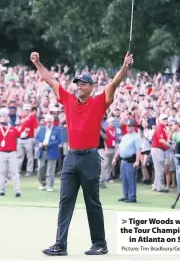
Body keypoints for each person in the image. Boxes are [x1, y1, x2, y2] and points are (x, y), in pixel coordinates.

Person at [31, 51, 133, 256]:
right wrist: (38, 63)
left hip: (89, 158)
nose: (79, 87)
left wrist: (125, 67)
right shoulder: (68, 99)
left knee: (92, 202)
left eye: (83, 84)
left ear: (91, 87)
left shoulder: (99, 102)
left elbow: (114, 83)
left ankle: (100, 244)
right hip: (71, 157)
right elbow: (50, 80)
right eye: (77, 84)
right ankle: (60, 245)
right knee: (65, 200)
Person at [112, 119, 141, 203]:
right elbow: (120, 148)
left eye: (130, 126)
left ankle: (132, 196)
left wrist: (137, 161)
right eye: (128, 126)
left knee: (131, 179)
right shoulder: (125, 136)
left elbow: (138, 149)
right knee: (124, 178)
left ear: (133, 127)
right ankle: (126, 195)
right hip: (123, 160)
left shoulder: (136, 136)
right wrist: (115, 157)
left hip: (130, 160)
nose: (129, 128)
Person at [0, 108, 21, 197]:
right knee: (1, 172)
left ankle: (17, 190)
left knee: (14, 172)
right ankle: (2, 189)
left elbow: (20, 134)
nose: (5, 118)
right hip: (1, 152)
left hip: (12, 152)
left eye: (6, 116)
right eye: (2, 116)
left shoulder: (13, 129)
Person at [35, 114, 61, 192]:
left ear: (53, 122)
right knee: (41, 168)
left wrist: (49, 143)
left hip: (52, 151)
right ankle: (42, 183)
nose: (48, 124)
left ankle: (50, 185)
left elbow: (59, 140)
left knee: (50, 169)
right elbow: (37, 138)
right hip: (42, 151)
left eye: (50, 122)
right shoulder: (41, 129)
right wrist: (39, 143)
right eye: (47, 122)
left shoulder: (57, 130)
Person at [151, 114, 173, 193]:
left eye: (166, 119)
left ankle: (156, 186)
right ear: (160, 120)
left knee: (158, 169)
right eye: (164, 119)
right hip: (158, 149)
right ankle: (159, 187)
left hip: (159, 149)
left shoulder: (163, 128)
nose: (165, 120)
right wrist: (171, 146)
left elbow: (164, 140)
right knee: (159, 169)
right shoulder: (159, 127)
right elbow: (161, 140)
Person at [17, 104, 38, 176]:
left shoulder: (32, 117)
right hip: (20, 138)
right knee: (19, 155)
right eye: (25, 109)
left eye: (27, 110)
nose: (26, 111)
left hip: (28, 139)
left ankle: (29, 171)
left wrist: (34, 138)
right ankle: (18, 170)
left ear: (29, 111)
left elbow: (35, 128)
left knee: (29, 156)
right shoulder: (22, 117)